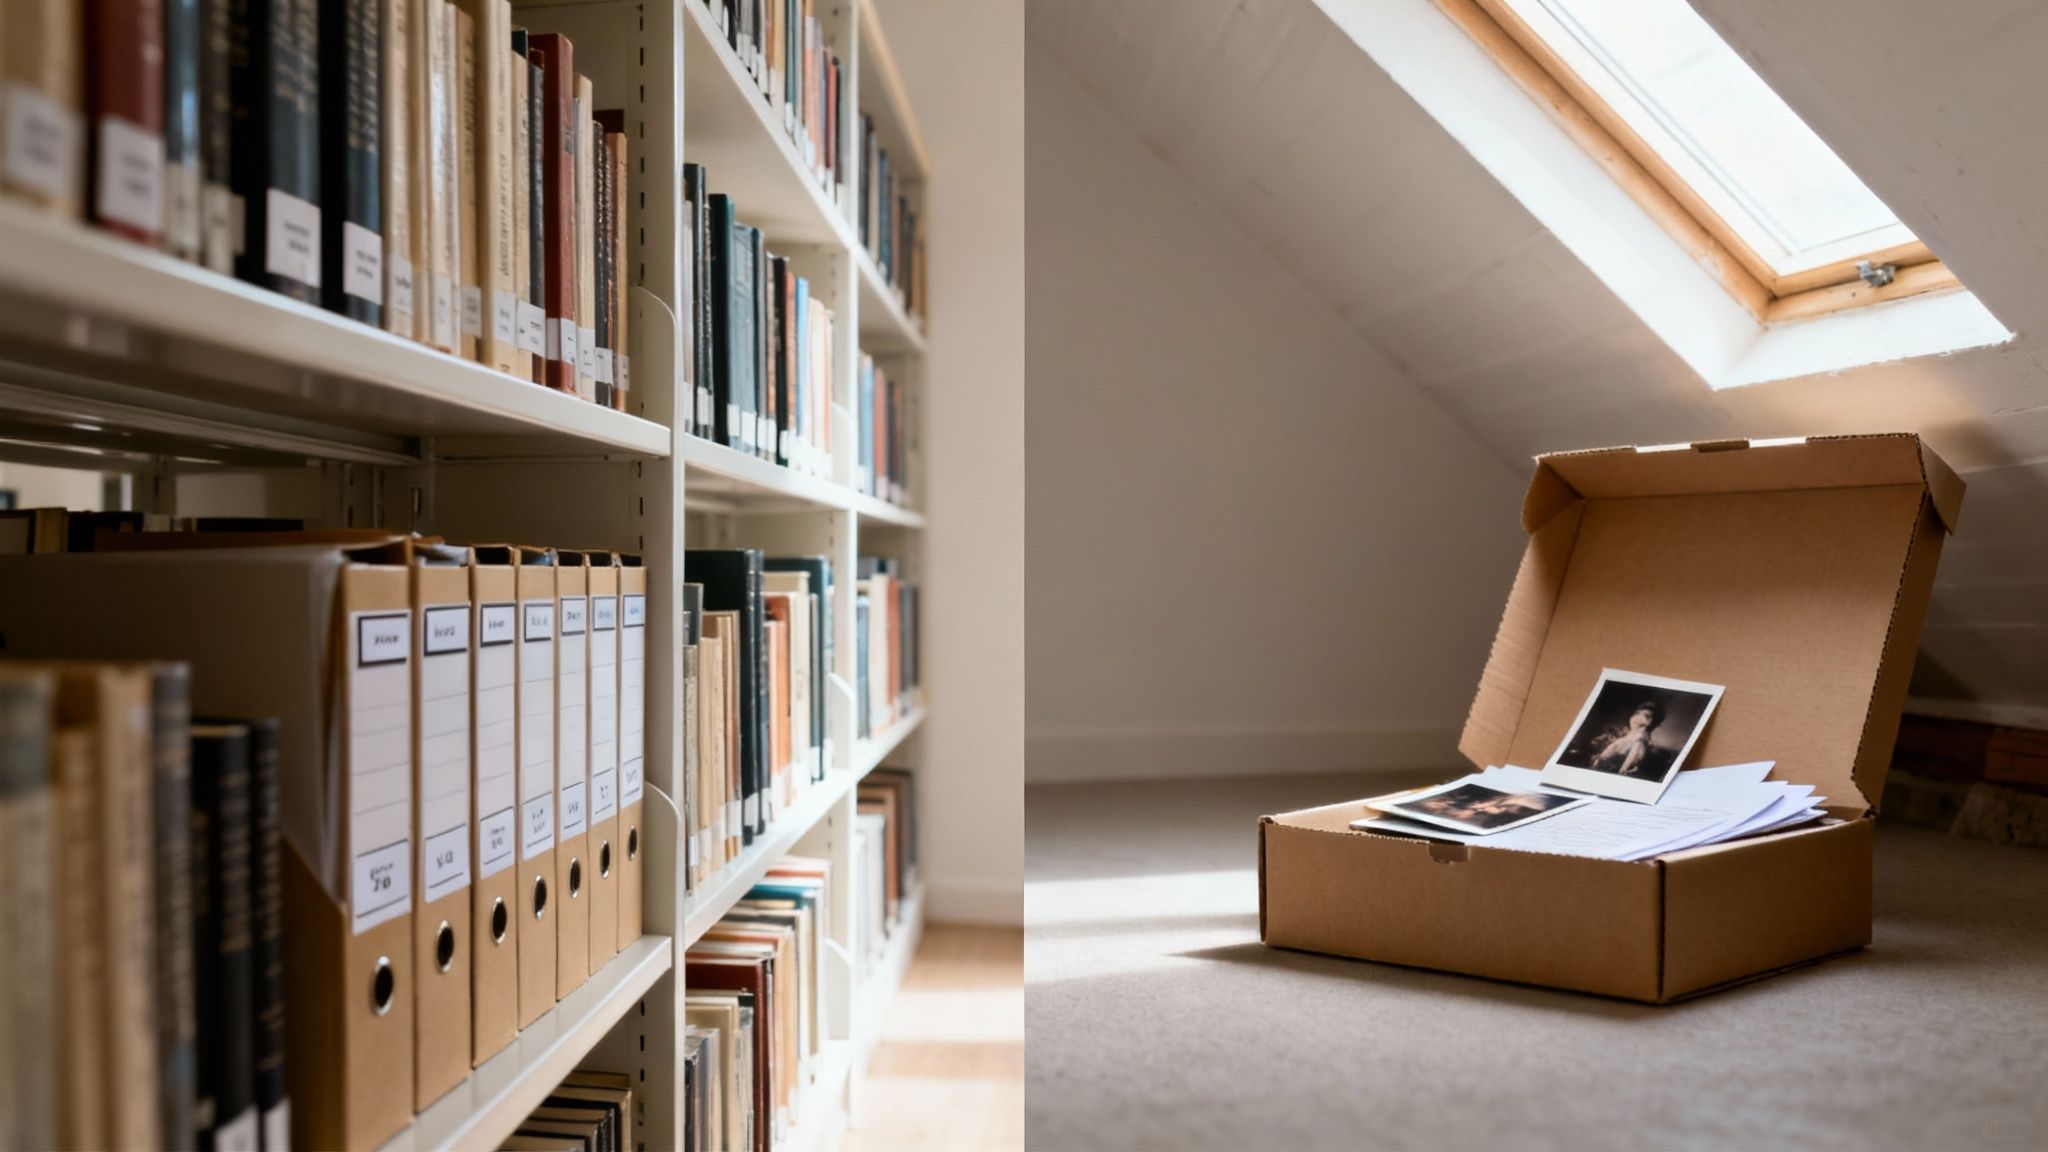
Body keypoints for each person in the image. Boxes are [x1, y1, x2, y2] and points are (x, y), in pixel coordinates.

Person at [1588, 700, 1666, 777]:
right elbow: (1605, 755)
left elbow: (1625, 768)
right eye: (1636, 714)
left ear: (1653, 722)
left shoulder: (1640, 741)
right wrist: (1598, 761)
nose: (1638, 718)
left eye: (1647, 716)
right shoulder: (1627, 737)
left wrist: (1622, 771)